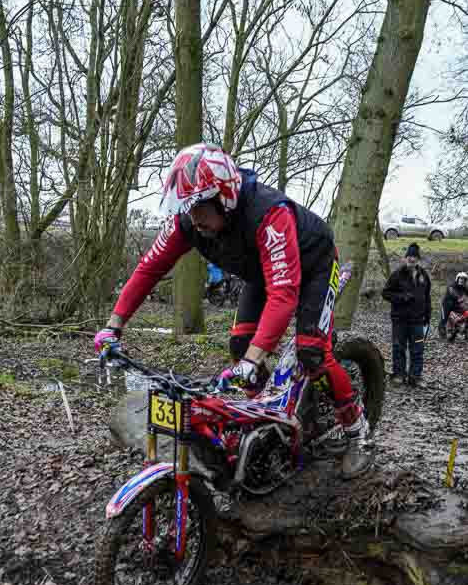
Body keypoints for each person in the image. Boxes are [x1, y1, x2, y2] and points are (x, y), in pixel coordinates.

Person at [95, 143, 373, 479]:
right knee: (240, 347)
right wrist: (113, 326)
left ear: (224, 197)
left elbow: (284, 295)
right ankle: (271, 427)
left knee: (312, 352)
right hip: (262, 272)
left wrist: (252, 361)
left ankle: (357, 431)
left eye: (199, 207)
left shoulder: (269, 214)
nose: (193, 217)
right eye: (186, 207)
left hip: (314, 265)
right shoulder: (188, 222)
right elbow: (148, 269)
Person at [382, 242, 431, 387]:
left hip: (417, 320)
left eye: (415, 256)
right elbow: (385, 293)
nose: (412, 259)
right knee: (399, 347)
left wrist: (428, 314)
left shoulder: (424, 275)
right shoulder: (397, 275)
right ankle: (399, 375)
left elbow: (427, 296)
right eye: (409, 256)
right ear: (405, 258)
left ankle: (415, 377)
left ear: (418, 259)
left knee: (418, 349)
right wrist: (402, 297)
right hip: (400, 320)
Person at [439, 272, 468, 340]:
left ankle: (461, 330)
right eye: (460, 278)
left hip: (456, 306)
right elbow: (454, 294)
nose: (461, 280)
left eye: (463, 279)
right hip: (446, 305)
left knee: (466, 314)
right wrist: (460, 299)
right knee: (443, 319)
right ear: (457, 279)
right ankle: (442, 334)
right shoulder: (452, 286)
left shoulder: (464, 288)